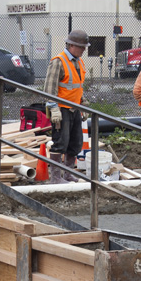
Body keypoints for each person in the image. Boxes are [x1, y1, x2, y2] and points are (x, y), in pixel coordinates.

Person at [43, 29, 90, 183]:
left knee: (75, 142)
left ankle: (68, 173)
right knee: (60, 142)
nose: (84, 50)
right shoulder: (58, 61)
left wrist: (82, 102)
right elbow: (49, 89)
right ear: (71, 45)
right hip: (61, 109)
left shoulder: (78, 61)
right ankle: (56, 178)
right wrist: (54, 108)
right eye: (81, 47)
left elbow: (75, 85)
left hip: (74, 108)